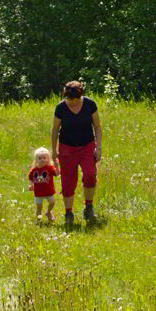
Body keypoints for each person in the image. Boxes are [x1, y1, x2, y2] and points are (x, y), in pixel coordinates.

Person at [50, 81, 102, 228]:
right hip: (67, 148)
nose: (71, 102)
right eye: (68, 99)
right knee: (68, 181)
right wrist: (54, 152)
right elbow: (54, 130)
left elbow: (97, 126)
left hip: (87, 146)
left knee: (90, 174)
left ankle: (89, 207)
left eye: (74, 99)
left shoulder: (90, 104)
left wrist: (99, 147)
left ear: (80, 95)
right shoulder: (61, 108)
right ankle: (68, 213)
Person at [28, 147, 59, 222]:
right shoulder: (34, 170)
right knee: (39, 207)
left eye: (44, 158)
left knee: (52, 203)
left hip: (49, 191)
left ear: (48, 159)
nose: (42, 159)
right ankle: (39, 219)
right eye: (40, 158)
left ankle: (48, 212)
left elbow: (57, 174)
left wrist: (57, 166)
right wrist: (31, 185)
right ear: (36, 160)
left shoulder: (50, 168)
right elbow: (31, 178)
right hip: (38, 192)